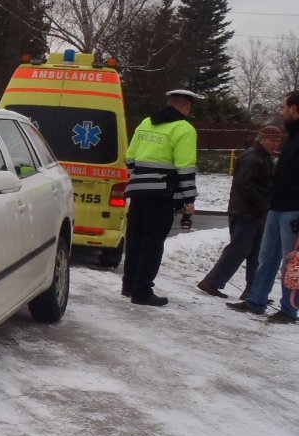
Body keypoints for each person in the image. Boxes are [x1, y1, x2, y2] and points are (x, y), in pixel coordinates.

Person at [120, 88, 202, 306]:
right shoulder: (184, 129)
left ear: (169, 103)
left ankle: (128, 285)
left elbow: (130, 158)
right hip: (162, 193)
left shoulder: (146, 122)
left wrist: (137, 180)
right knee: (153, 242)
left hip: (138, 191)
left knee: (135, 238)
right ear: (186, 107)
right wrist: (189, 200)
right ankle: (142, 291)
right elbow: (185, 167)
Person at [226, 90, 299, 324]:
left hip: (293, 211)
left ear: (295, 109)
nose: (282, 111)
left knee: (291, 262)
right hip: (276, 208)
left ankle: (289, 309)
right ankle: (256, 300)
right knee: (267, 257)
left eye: (284, 107)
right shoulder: (292, 138)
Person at [197, 125, 282, 299]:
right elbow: (244, 185)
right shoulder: (253, 158)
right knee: (239, 249)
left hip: (254, 212)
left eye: (278, 140)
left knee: (255, 253)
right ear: (262, 138)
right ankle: (212, 282)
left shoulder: (263, 158)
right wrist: (263, 204)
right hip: (245, 212)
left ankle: (253, 290)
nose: (276, 144)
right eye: (272, 140)